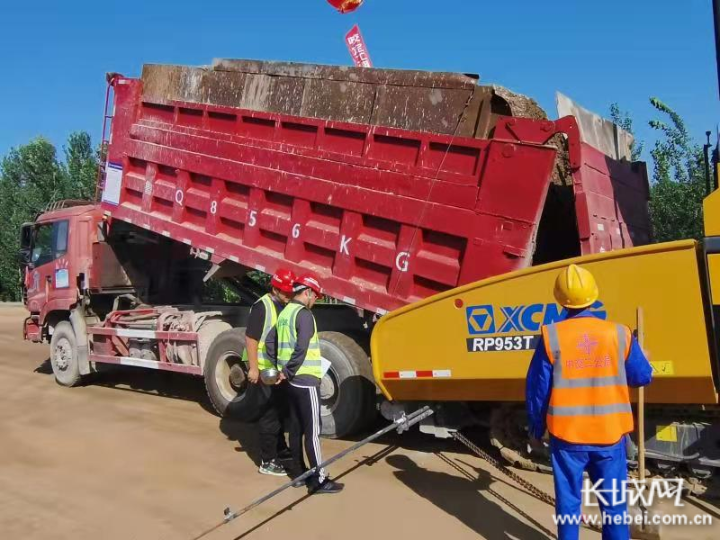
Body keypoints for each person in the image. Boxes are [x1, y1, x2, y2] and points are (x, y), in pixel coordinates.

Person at [526, 264, 653, 540]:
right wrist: (643, 356)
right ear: (594, 296)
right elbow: (642, 377)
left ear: (559, 299)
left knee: (569, 505)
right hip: (610, 438)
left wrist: (536, 429)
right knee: (614, 506)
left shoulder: (551, 336)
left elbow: (538, 390)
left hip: (567, 438)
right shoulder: (619, 334)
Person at [265, 274, 344, 495]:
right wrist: (289, 370)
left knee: (296, 427)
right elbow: (301, 349)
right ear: (307, 292)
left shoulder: (284, 313)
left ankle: (299, 474)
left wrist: (280, 370)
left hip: (289, 382)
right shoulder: (305, 315)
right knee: (313, 431)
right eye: (316, 296)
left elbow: (270, 342)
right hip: (305, 379)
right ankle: (318, 480)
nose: (315, 300)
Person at [242, 268, 296, 476]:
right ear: (274, 289)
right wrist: (254, 368)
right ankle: (268, 460)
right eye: (285, 292)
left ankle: (280, 450)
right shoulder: (262, 307)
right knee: (269, 416)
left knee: (280, 413)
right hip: (264, 371)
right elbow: (251, 338)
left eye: (290, 293)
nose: (288, 296)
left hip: (278, 371)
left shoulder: (284, 305)